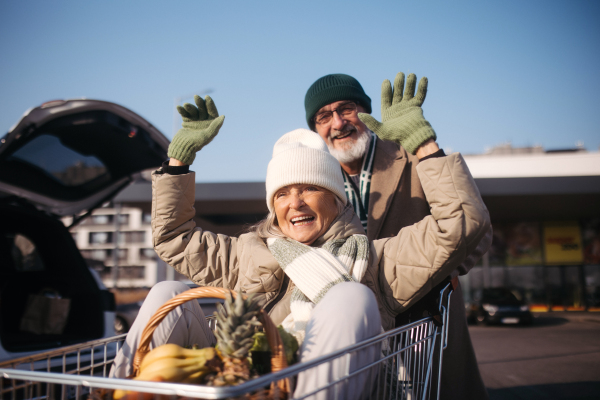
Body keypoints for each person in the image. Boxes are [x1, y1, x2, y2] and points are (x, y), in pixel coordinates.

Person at [110, 95, 490, 399]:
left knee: (350, 298)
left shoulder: (376, 259)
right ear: (272, 205)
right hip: (248, 381)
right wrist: (178, 162)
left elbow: (460, 225)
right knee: (168, 293)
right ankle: (120, 395)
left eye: (309, 188)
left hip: (342, 385)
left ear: (336, 199)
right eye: (283, 194)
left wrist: (424, 146)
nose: (295, 203)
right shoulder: (248, 253)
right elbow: (174, 238)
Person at [304, 72, 492, 400]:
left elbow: (477, 229)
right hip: (352, 328)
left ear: (365, 111)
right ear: (316, 130)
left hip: (423, 321)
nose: (337, 123)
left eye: (346, 109)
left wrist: (439, 272)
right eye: (324, 116)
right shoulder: (311, 180)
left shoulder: (412, 151)